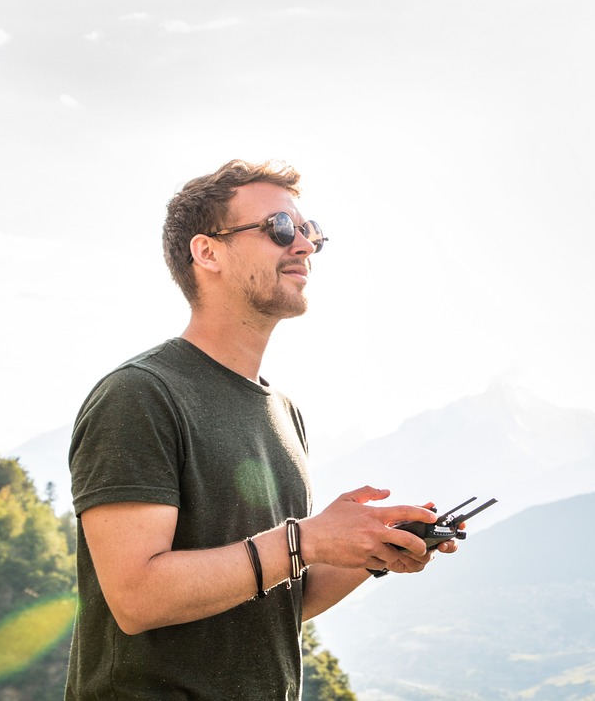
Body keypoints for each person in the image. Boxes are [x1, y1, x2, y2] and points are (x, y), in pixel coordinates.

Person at [65, 159, 450, 700]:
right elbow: (137, 598)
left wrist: (371, 551)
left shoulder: (283, 411)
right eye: (282, 229)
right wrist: (308, 538)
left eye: (310, 232)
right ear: (208, 252)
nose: (305, 247)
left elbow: (275, 599)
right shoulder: (141, 394)